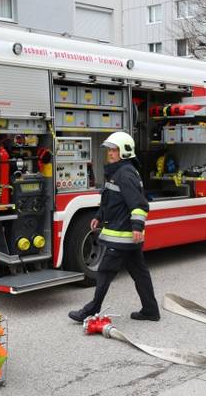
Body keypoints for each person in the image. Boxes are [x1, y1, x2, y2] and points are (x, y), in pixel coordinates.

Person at [69, 132, 160, 322]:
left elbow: (139, 204)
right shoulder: (118, 172)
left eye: (114, 150)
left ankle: (91, 310)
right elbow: (112, 201)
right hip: (125, 234)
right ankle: (150, 310)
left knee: (104, 272)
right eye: (109, 150)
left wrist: (137, 226)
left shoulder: (125, 174)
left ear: (125, 152)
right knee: (140, 273)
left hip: (122, 234)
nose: (110, 153)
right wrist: (99, 216)